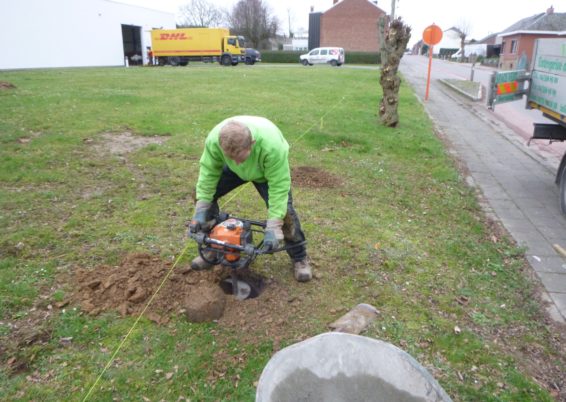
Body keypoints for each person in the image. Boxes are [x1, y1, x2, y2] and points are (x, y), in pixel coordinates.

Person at [189, 116, 312, 282]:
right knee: (201, 196)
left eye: (240, 156)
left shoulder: (272, 147)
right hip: (231, 171)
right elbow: (208, 174)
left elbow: (279, 187)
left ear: (252, 144)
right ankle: (216, 246)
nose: (237, 163)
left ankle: (299, 257)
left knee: (285, 213)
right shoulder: (215, 141)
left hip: (264, 173)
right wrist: (201, 210)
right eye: (230, 157)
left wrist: (274, 226)